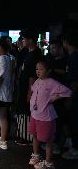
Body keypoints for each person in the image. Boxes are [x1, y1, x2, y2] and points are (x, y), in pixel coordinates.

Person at [28, 59, 72, 169]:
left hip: (46, 117)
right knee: (35, 135)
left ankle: (48, 162)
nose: (38, 71)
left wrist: (53, 98)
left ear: (48, 71)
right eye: (37, 69)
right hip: (35, 115)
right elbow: (33, 90)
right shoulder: (38, 81)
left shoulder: (52, 82)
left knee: (48, 141)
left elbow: (68, 92)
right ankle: (36, 155)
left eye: (41, 69)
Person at [15, 29, 43, 145]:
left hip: (29, 88)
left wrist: (30, 92)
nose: (22, 41)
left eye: (24, 39)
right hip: (26, 87)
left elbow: (32, 76)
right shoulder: (31, 52)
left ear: (31, 40)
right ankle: (27, 136)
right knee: (25, 111)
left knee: (27, 111)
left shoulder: (34, 55)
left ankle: (28, 138)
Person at [61, 30, 78, 160]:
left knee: (74, 121)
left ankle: (75, 149)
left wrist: (70, 97)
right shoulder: (73, 56)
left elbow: (74, 81)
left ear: (66, 42)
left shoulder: (74, 57)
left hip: (74, 96)